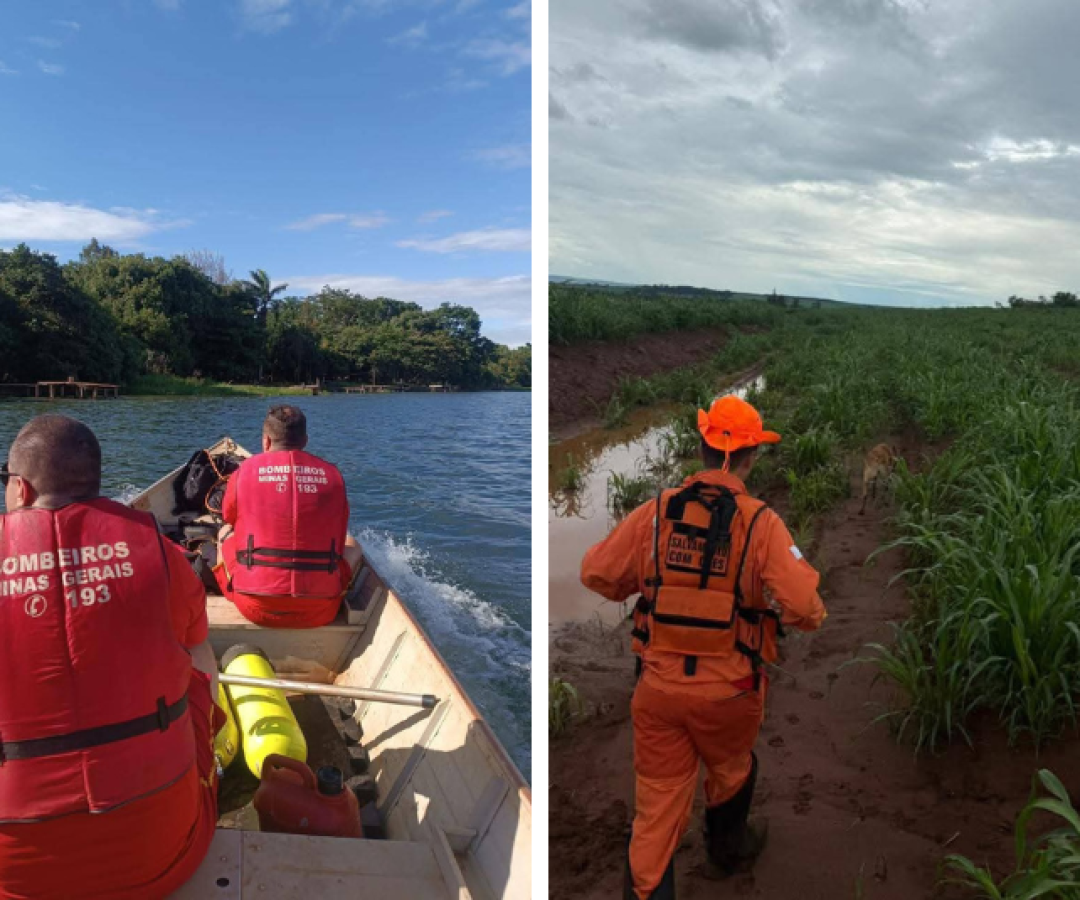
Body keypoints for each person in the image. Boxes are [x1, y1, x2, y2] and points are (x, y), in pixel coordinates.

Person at [580, 395, 827, 900]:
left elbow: (597, 573)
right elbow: (807, 609)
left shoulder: (654, 513)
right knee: (732, 769)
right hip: (732, 691)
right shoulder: (763, 524)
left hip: (658, 690)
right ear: (751, 456)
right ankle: (726, 855)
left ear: (703, 447)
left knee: (658, 808)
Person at [0, 415, 222, 900]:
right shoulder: (164, 556)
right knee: (199, 659)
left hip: (13, 873)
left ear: (19, 489)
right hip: (160, 852)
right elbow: (198, 657)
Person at [215, 405, 363, 629]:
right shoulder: (333, 474)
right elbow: (339, 531)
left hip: (254, 606)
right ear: (305, 441)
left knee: (224, 532)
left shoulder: (244, 472)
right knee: (353, 545)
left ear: (266, 441)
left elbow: (229, 517)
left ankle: (228, 584)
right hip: (321, 608)